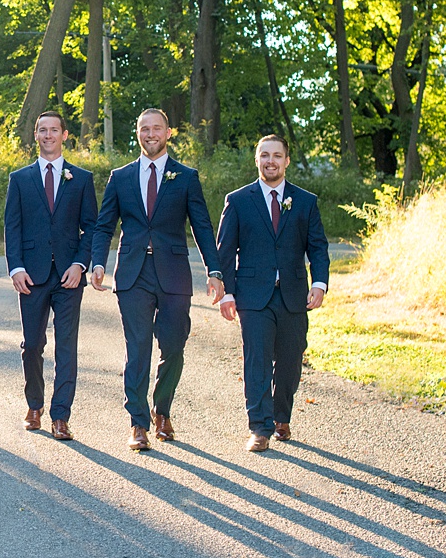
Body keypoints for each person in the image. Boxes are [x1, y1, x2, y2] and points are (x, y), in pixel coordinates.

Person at [90, 109, 221, 451]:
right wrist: (98, 263)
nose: (150, 134)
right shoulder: (121, 177)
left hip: (174, 274)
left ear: (168, 132)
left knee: (174, 347)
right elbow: (105, 225)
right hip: (133, 274)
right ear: (137, 133)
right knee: (138, 349)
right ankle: (138, 423)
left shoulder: (187, 177)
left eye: (157, 128)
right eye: (144, 128)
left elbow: (202, 226)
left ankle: (162, 410)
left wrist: (215, 270)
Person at [215, 134, 330, 453]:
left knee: (292, 359)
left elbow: (318, 247)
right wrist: (227, 293)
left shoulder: (305, 201)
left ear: (286, 160)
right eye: (264, 155)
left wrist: (319, 283)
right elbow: (225, 251)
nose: (271, 161)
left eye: (277, 156)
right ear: (257, 160)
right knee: (258, 360)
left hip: (293, 295)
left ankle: (282, 418)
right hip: (253, 297)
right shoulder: (238, 200)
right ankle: (260, 427)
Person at [3, 111, 96, 441]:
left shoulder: (81, 179)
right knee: (32, 345)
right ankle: (34, 405)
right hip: (32, 274)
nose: (47, 135)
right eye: (41, 130)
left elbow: (92, 228)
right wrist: (15, 268)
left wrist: (80, 264)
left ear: (64, 135)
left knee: (66, 346)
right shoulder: (20, 178)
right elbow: (11, 226)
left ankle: (60, 416)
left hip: (69, 275)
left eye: (53, 130)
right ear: (36, 136)